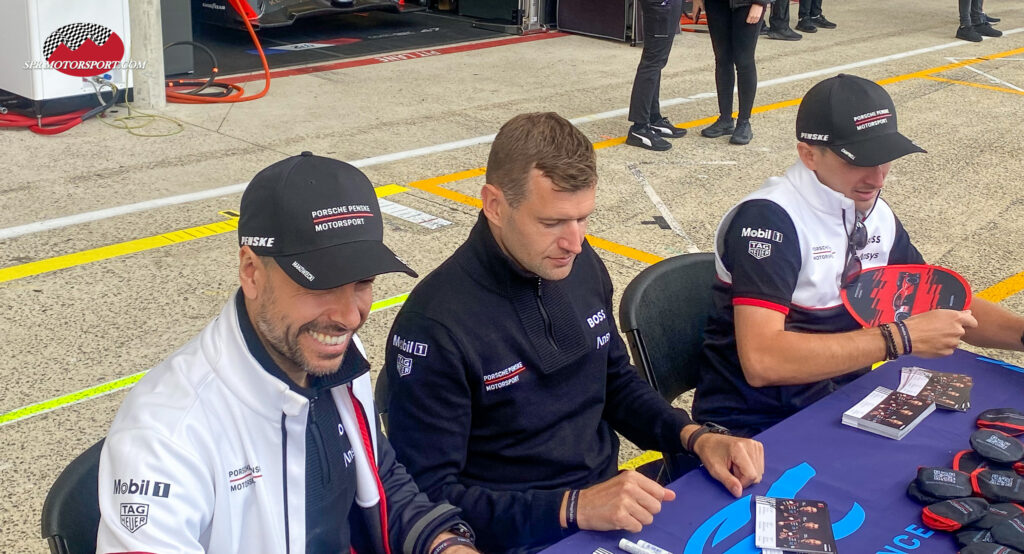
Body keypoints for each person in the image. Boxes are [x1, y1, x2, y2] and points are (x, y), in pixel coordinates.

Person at [381, 112, 764, 554]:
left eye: (584, 219)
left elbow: (616, 382)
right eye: (553, 223)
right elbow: (428, 497)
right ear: (494, 205)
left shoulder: (579, 265)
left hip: (609, 507)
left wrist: (696, 438)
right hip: (523, 534)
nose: (575, 242)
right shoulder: (436, 326)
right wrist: (570, 507)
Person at [97, 153, 478, 553]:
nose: (349, 316)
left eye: (363, 281)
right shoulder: (165, 435)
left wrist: (443, 543)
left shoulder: (336, 357)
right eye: (322, 284)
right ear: (251, 272)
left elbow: (376, 472)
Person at [692, 74, 1024, 437]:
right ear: (809, 154)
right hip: (755, 428)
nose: (878, 178)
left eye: (886, 159)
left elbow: (938, 303)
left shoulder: (870, 209)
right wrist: (899, 338)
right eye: (859, 161)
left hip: (842, 406)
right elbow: (763, 360)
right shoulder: (769, 220)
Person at [692, 0, 771, 145]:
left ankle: (744, 122)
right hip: (716, 5)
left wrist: (760, 3)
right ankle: (725, 118)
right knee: (722, 59)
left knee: (744, 61)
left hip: (746, 4)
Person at [625, 0, 688, 151]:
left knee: (657, 61)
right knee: (652, 62)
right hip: (660, 4)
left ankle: (653, 117)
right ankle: (639, 127)